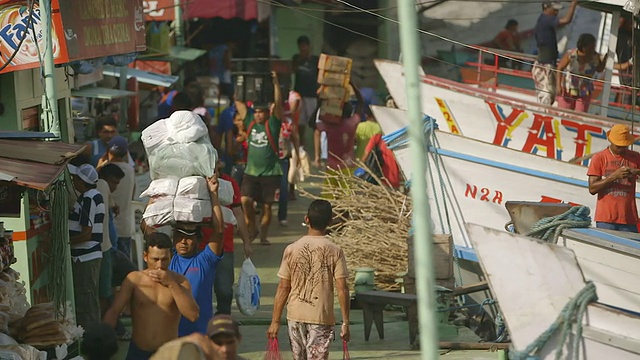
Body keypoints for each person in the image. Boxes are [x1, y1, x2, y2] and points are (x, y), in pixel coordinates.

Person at [267, 200, 350, 359]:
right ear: (330, 221)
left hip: (295, 317)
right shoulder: (335, 250)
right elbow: (342, 288)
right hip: (321, 318)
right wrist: (345, 322)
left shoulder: (291, 249)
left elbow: (283, 287)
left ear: (307, 219)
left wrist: (275, 321)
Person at [104, 233, 200, 360]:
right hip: (139, 352)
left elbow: (193, 315)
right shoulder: (134, 280)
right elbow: (114, 311)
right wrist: (103, 338)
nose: (159, 265)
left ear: (171, 257)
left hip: (169, 354)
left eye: (164, 259)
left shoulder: (180, 282)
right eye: (155, 259)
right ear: (145, 257)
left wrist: (171, 284)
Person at [168, 175, 225, 336]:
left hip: (201, 332)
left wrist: (213, 194)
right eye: (178, 237)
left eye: (188, 238)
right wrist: (156, 198)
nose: (183, 242)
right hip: (172, 333)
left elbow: (219, 230)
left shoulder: (206, 260)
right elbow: (148, 230)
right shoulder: (167, 258)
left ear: (198, 240)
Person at [200, 162, 252, 315]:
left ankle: (223, 318)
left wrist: (246, 242)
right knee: (201, 288)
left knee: (224, 290)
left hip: (225, 247)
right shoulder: (195, 184)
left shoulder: (229, 184)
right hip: (199, 247)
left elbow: (238, 214)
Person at [241, 71, 283, 245]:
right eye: (256, 112)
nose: (258, 115)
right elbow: (239, 104)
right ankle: (251, 224)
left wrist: (275, 83)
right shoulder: (249, 122)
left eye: (261, 112)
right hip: (251, 171)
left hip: (270, 173)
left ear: (267, 113)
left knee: (267, 207)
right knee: (245, 200)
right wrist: (241, 81)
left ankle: (264, 236)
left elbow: (279, 103)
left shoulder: (272, 124)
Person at [68, 163, 105, 329]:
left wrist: (66, 243)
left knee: (86, 299)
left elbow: (86, 233)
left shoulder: (89, 198)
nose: (73, 180)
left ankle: (92, 337)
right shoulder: (92, 196)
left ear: (82, 181)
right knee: (88, 297)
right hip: (87, 255)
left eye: (75, 178)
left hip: (85, 256)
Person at [587, 124, 640, 232]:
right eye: (618, 146)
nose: (622, 149)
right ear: (611, 141)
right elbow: (592, 189)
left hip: (629, 218)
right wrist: (614, 176)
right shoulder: (599, 158)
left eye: (624, 146)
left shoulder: (635, 157)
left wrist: (636, 172)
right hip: (606, 219)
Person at [532, 0, 578, 105]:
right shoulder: (546, 20)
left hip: (546, 64)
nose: (556, 13)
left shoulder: (543, 20)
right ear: (546, 8)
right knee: (547, 96)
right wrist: (573, 5)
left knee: (548, 96)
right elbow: (566, 20)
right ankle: (544, 117)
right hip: (545, 66)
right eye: (555, 10)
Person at [96, 165, 125, 320]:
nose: (114, 187)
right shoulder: (102, 185)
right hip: (104, 249)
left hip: (109, 249)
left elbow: (112, 204)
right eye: (113, 183)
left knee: (108, 289)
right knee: (105, 292)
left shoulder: (102, 187)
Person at [103, 136, 136, 260]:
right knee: (125, 268)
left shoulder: (104, 171)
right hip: (124, 227)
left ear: (108, 151)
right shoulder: (130, 170)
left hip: (108, 232)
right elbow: (132, 193)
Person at [556, 33, 607, 112]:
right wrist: (558, 85)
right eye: (591, 47)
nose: (593, 49)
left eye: (594, 47)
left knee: (580, 114)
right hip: (568, 88)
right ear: (584, 48)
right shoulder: (571, 55)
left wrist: (605, 61)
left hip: (584, 91)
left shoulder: (595, 57)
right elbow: (560, 68)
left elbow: (599, 69)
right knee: (563, 112)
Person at [278, 90, 302, 226]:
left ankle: (282, 216)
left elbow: (295, 138)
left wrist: (297, 155)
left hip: (283, 158)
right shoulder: (267, 121)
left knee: (283, 187)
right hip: (270, 159)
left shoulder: (288, 123)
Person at [292, 36, 319, 147]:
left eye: (304, 45)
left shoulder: (315, 60)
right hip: (299, 96)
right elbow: (292, 70)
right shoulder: (296, 59)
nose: (303, 48)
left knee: (315, 125)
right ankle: (301, 148)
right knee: (300, 125)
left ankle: (317, 152)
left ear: (309, 46)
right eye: (301, 46)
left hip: (312, 95)